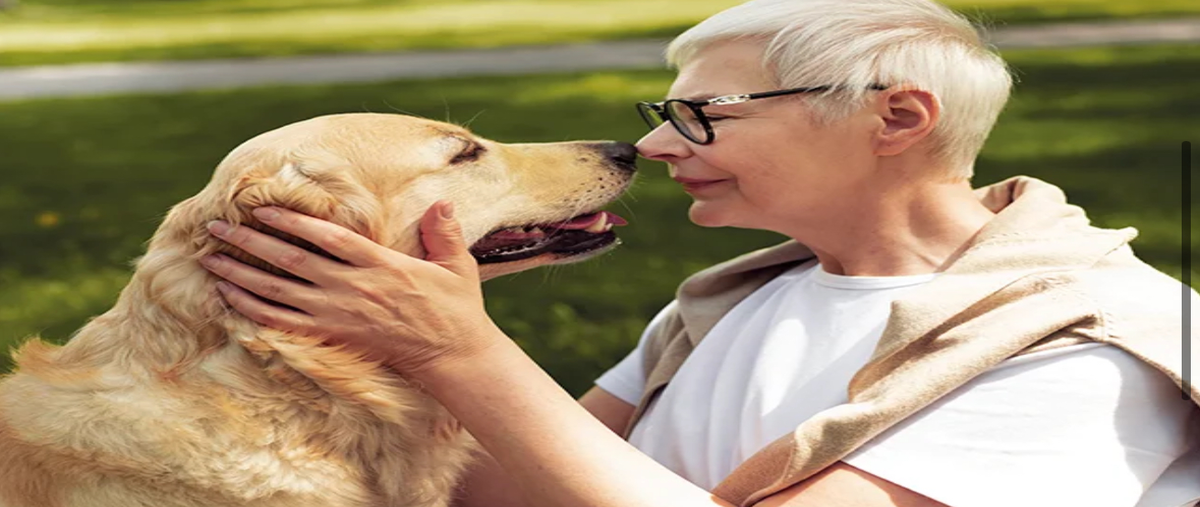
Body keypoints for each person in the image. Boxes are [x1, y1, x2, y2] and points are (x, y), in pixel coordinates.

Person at [199, 0, 1200, 505]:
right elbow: (511, 488)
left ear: (896, 118)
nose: (654, 149)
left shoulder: (1088, 347)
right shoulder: (738, 298)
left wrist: (454, 349)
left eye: (704, 114)